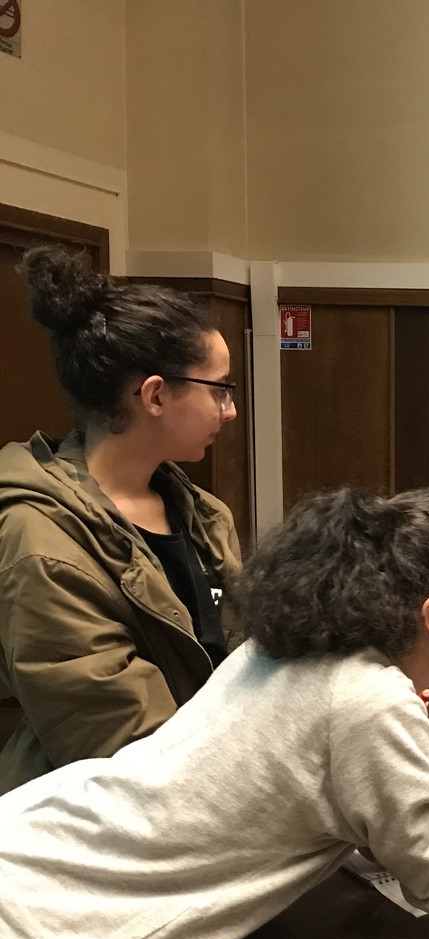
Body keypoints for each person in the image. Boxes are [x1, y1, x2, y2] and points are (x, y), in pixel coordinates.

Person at [0, 487, 429, 939]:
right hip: (38, 907)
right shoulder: (365, 699)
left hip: (34, 846)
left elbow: (416, 809)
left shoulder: (300, 652)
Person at [0, 246, 244, 794]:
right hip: (98, 828)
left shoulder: (202, 513)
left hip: (204, 794)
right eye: (221, 389)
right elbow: (126, 750)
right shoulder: (39, 544)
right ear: (156, 395)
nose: (229, 410)